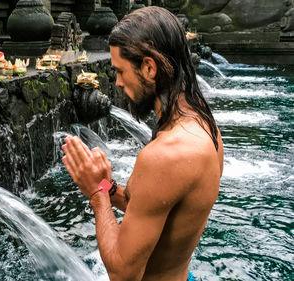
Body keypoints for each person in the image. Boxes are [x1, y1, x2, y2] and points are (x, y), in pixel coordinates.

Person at [61, 6, 223, 281]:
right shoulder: (206, 127)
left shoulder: (165, 156)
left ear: (149, 67)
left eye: (121, 71)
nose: (118, 82)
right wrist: (106, 186)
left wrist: (96, 196)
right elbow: (155, 204)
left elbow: (123, 273)